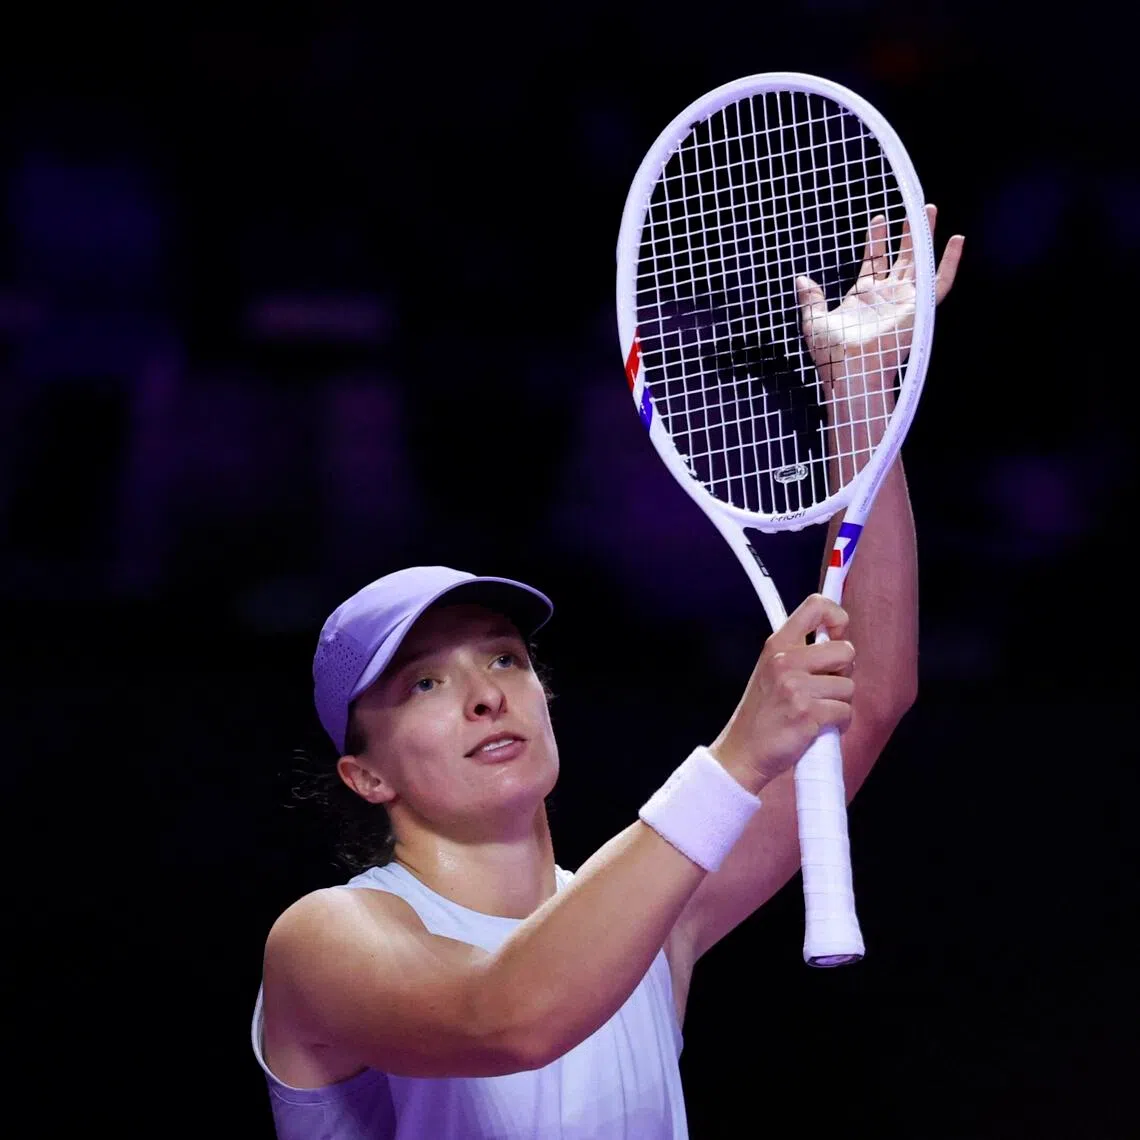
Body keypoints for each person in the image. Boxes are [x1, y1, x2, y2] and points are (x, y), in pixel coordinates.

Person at [251, 207, 964, 1139]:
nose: (484, 693)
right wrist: (736, 756)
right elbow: (508, 1018)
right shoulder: (323, 942)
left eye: (505, 656)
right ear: (365, 773)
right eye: (423, 682)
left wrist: (864, 395)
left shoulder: (649, 921)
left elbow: (865, 696)